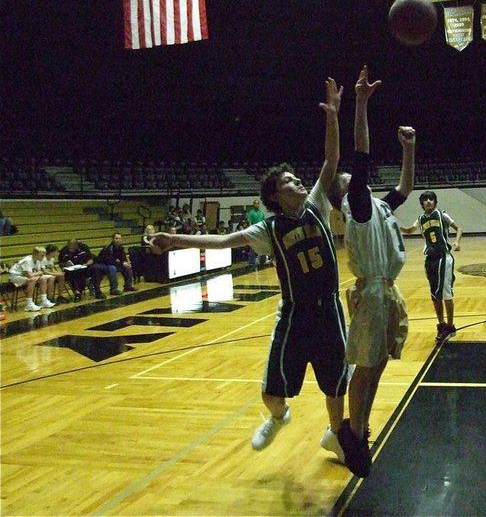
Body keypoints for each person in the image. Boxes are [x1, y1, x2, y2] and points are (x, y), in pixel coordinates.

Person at [149, 76, 349, 463]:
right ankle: (279, 416)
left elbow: (331, 160)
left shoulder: (317, 205)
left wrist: (334, 117)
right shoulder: (268, 229)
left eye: (296, 178)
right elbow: (223, 242)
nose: (299, 181)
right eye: (289, 180)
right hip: (295, 314)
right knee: (271, 390)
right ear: (274, 195)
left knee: (335, 386)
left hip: (329, 309)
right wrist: (175, 240)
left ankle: (335, 436)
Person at [326, 65, 415, 477]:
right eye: (347, 179)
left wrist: (409, 149)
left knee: (377, 364)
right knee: (366, 365)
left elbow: (404, 189)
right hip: (373, 292)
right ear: (345, 190)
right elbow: (359, 153)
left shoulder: (377, 207)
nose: (353, 177)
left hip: (387, 290)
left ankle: (356, 428)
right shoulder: (356, 207)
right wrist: (360, 103)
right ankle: (354, 433)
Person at [401, 191, 463, 343]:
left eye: (431, 199)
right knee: (435, 295)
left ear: (435, 202)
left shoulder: (441, 215)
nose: (428, 201)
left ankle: (450, 325)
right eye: (425, 200)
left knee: (445, 292)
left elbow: (459, 228)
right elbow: (409, 230)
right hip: (430, 259)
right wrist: (396, 227)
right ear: (421, 203)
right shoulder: (421, 219)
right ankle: (441, 325)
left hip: (444, 257)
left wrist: (457, 242)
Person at [9, 247, 56, 311]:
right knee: (32, 280)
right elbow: (30, 275)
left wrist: (38, 273)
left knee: (43, 279)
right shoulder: (27, 260)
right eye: (42, 256)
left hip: (25, 277)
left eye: (44, 255)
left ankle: (44, 300)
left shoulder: (38, 260)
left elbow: (39, 274)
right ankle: (29, 304)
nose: (43, 257)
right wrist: (38, 273)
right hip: (15, 276)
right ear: (35, 255)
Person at [246, 199, 268, 268]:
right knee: (252, 248)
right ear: (253, 204)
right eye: (255, 203)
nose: (257, 204)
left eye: (258, 203)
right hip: (254, 232)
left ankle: (263, 262)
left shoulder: (261, 213)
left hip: (261, 232)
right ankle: (251, 263)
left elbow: (263, 222)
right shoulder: (251, 213)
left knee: (263, 247)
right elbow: (249, 223)